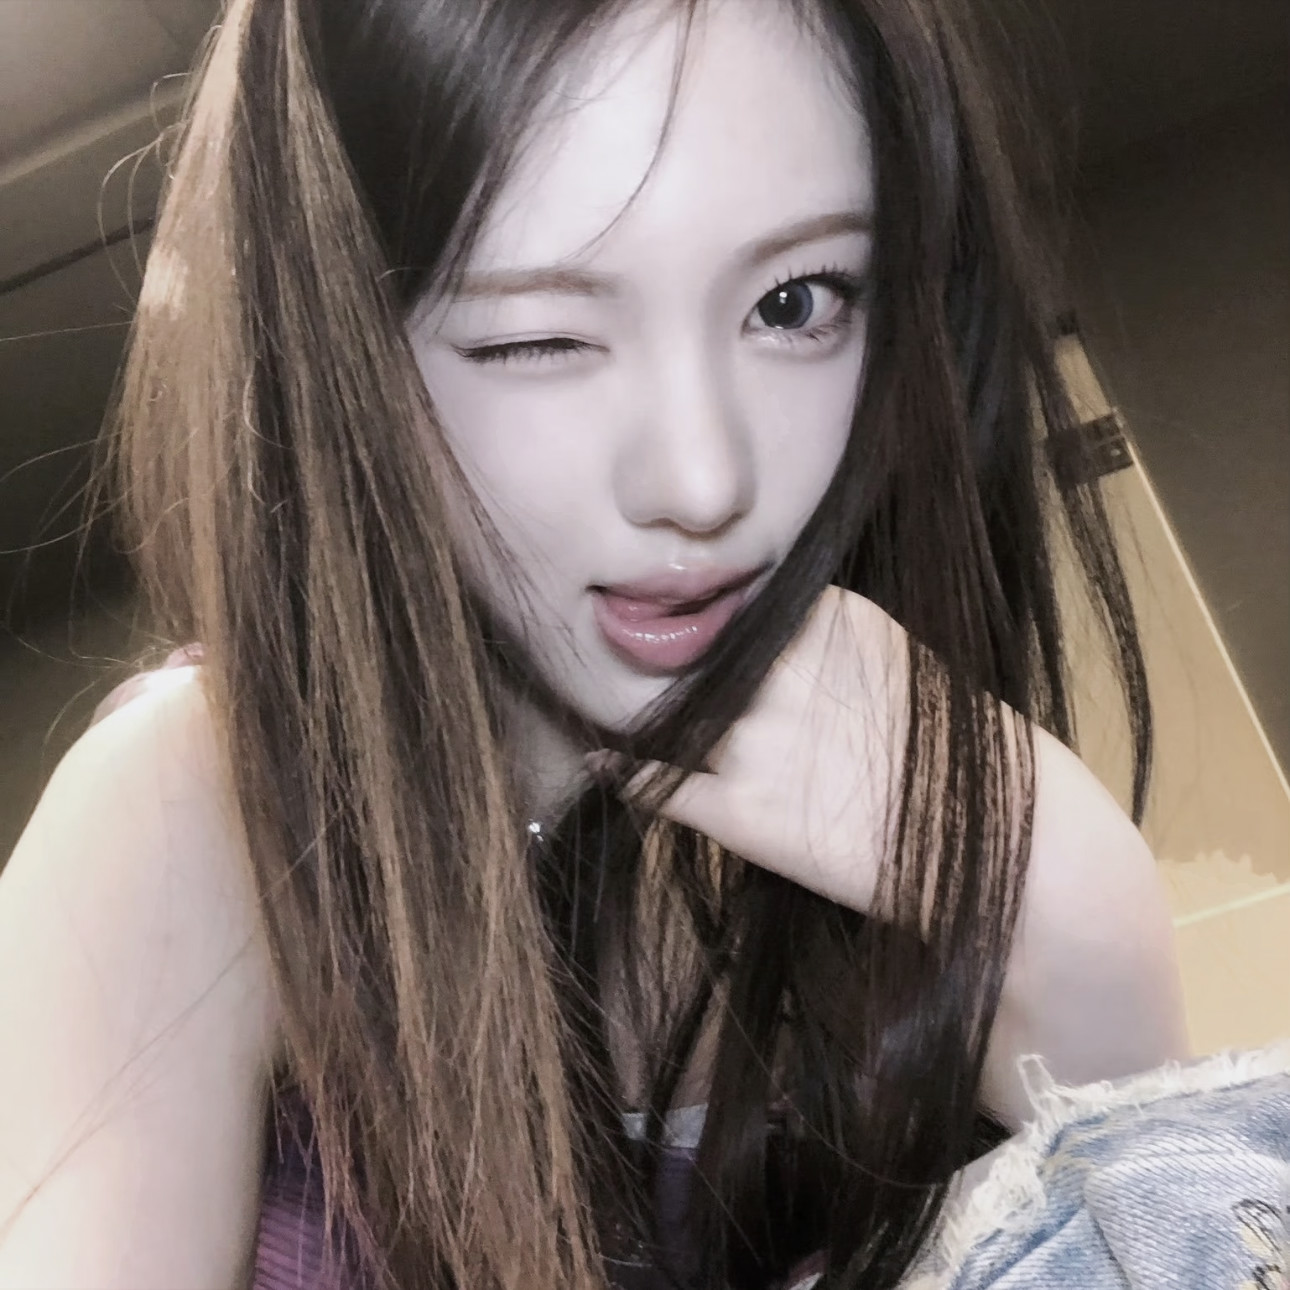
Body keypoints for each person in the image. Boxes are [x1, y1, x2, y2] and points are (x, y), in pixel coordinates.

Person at [0, 0, 1198, 1287]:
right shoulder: (202, 806)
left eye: (794, 302)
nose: (705, 479)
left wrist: (1084, 950)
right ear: (335, 362)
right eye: (537, 337)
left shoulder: (883, 781)